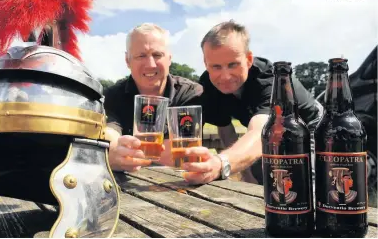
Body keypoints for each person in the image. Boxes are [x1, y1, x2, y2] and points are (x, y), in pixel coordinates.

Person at [181, 20, 323, 185]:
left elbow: (259, 133)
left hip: (310, 125)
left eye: (232, 65)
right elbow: (225, 129)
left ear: (248, 59)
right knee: (259, 171)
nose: (225, 76)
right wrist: (246, 176)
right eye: (216, 67)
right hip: (273, 132)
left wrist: (221, 163)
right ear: (206, 64)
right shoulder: (208, 84)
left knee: (303, 177)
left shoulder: (270, 79)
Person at [104, 23, 203, 172]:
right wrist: (112, 148)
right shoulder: (112, 95)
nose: (150, 64)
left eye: (157, 55)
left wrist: (125, 151)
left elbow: (179, 153)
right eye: (141, 56)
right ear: (127, 60)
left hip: (177, 183)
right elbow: (110, 133)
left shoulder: (189, 93)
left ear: (169, 59)